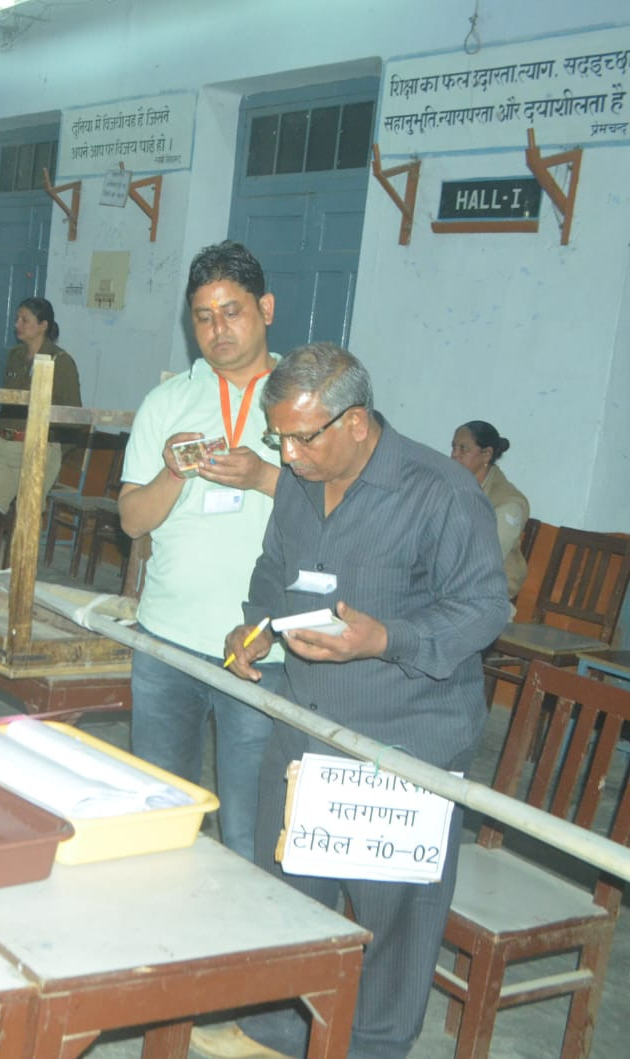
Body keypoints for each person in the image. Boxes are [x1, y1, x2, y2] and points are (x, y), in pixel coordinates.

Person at [221, 343, 508, 1059]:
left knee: (394, 920)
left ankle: (375, 1046)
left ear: (355, 422)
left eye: (302, 436)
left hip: (405, 738)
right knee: (289, 891)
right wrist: (252, 629)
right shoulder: (296, 481)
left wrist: (387, 639)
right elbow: (274, 572)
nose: (286, 454)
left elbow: (483, 608)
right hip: (308, 721)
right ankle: (278, 1032)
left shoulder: (440, 491)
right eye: (277, 436)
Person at [116, 241, 283, 862]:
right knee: (161, 814)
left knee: (249, 829)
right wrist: (173, 473)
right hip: (167, 642)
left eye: (232, 311)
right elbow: (133, 522)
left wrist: (265, 477)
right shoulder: (166, 404)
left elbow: (348, 508)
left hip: (264, 647)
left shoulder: (306, 399)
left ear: (265, 308)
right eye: (203, 316)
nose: (218, 329)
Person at [0, 296, 81, 511]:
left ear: (43, 325)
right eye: (17, 319)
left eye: (25, 320)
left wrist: (53, 448)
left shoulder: (61, 362)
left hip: (39, 449)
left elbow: (74, 416)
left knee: (27, 517)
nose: (17, 325)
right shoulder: (14, 356)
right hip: (5, 444)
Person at [451, 420, 529, 599]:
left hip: (485, 595)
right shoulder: (453, 488)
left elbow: (483, 563)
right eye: (454, 447)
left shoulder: (509, 504)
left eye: (463, 449)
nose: (454, 455)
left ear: (486, 454)